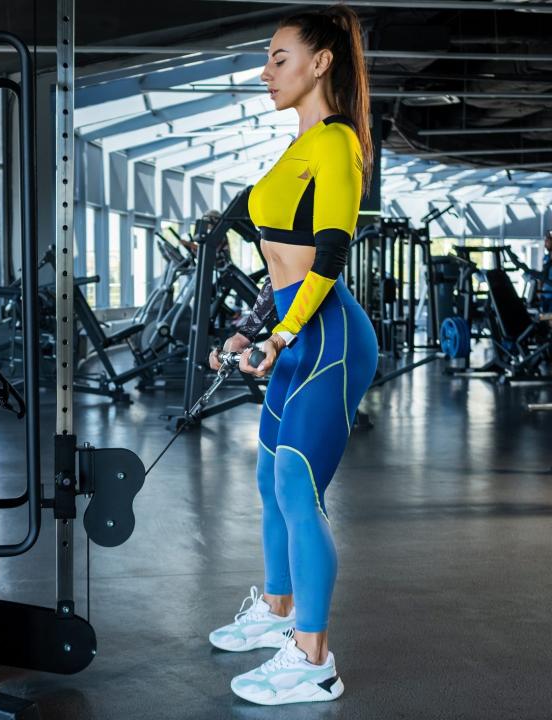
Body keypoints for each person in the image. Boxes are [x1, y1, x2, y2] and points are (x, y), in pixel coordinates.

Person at [206, 4, 379, 706]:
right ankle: (278, 612)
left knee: (299, 492)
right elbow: (281, 265)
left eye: (280, 57)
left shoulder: (336, 144)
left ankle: (314, 658)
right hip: (293, 335)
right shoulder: (297, 148)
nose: (266, 70)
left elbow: (330, 254)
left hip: (329, 342)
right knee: (269, 480)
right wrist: (252, 329)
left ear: (321, 63)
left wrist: (281, 337)